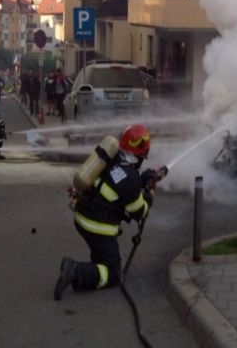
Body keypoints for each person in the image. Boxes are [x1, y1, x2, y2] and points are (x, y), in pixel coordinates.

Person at [54, 124, 164, 300]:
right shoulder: (131, 179)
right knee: (113, 274)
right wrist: (149, 194)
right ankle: (75, 270)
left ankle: (91, 272)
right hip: (98, 227)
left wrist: (142, 179)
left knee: (102, 261)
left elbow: (120, 179)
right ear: (142, 154)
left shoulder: (112, 158)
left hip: (82, 216)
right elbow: (139, 212)